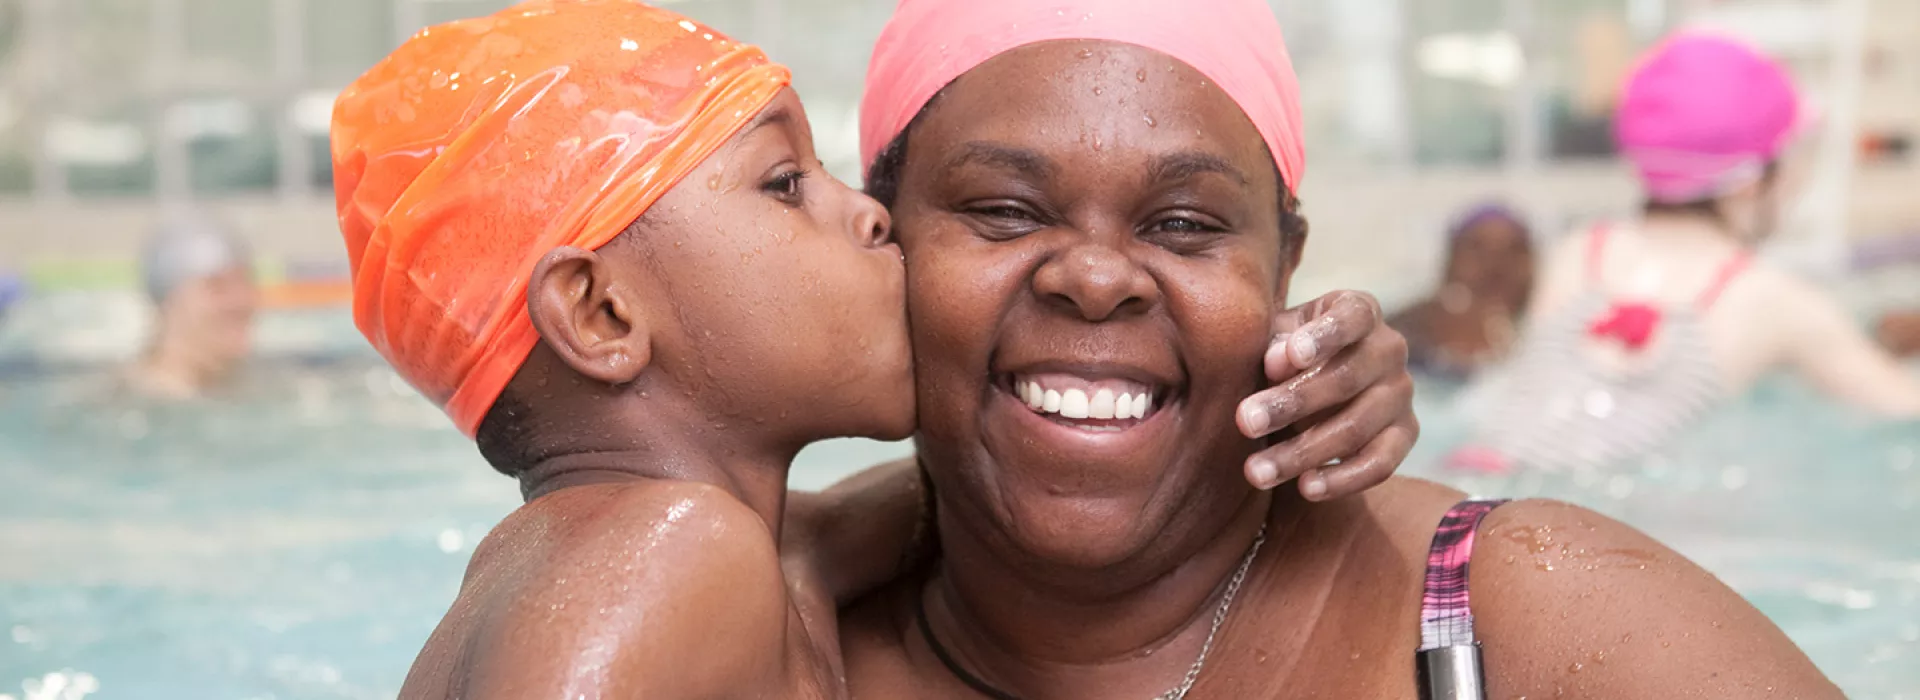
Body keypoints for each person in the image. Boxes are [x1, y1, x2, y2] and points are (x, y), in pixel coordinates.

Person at [332, 2, 1413, 697]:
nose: (871, 219)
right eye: (785, 184)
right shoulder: (671, 555)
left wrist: (1279, 381)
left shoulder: (742, 553)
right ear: (603, 315)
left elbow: (934, 503)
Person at [838, 1, 1842, 697]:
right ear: (877, 240)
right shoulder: (770, 635)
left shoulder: (1525, 622)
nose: (1098, 278)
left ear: (1285, 273)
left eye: (1185, 224)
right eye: (1005, 211)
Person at [1453, 33, 1920, 475]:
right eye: (1792, 157)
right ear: (1752, 181)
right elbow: (1904, 411)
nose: (1798, 181)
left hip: (1474, 474)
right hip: (1600, 525)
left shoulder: (1579, 251)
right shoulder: (1774, 298)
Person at [1388, 204, 1534, 378]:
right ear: (1450, 262)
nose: (1496, 264)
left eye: (1514, 250)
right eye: (1477, 248)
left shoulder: (1549, 333)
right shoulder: (1415, 326)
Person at [124, 210, 258, 399]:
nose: (241, 301)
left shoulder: (259, 388)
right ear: (169, 303)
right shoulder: (133, 406)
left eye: (245, 282)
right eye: (217, 287)